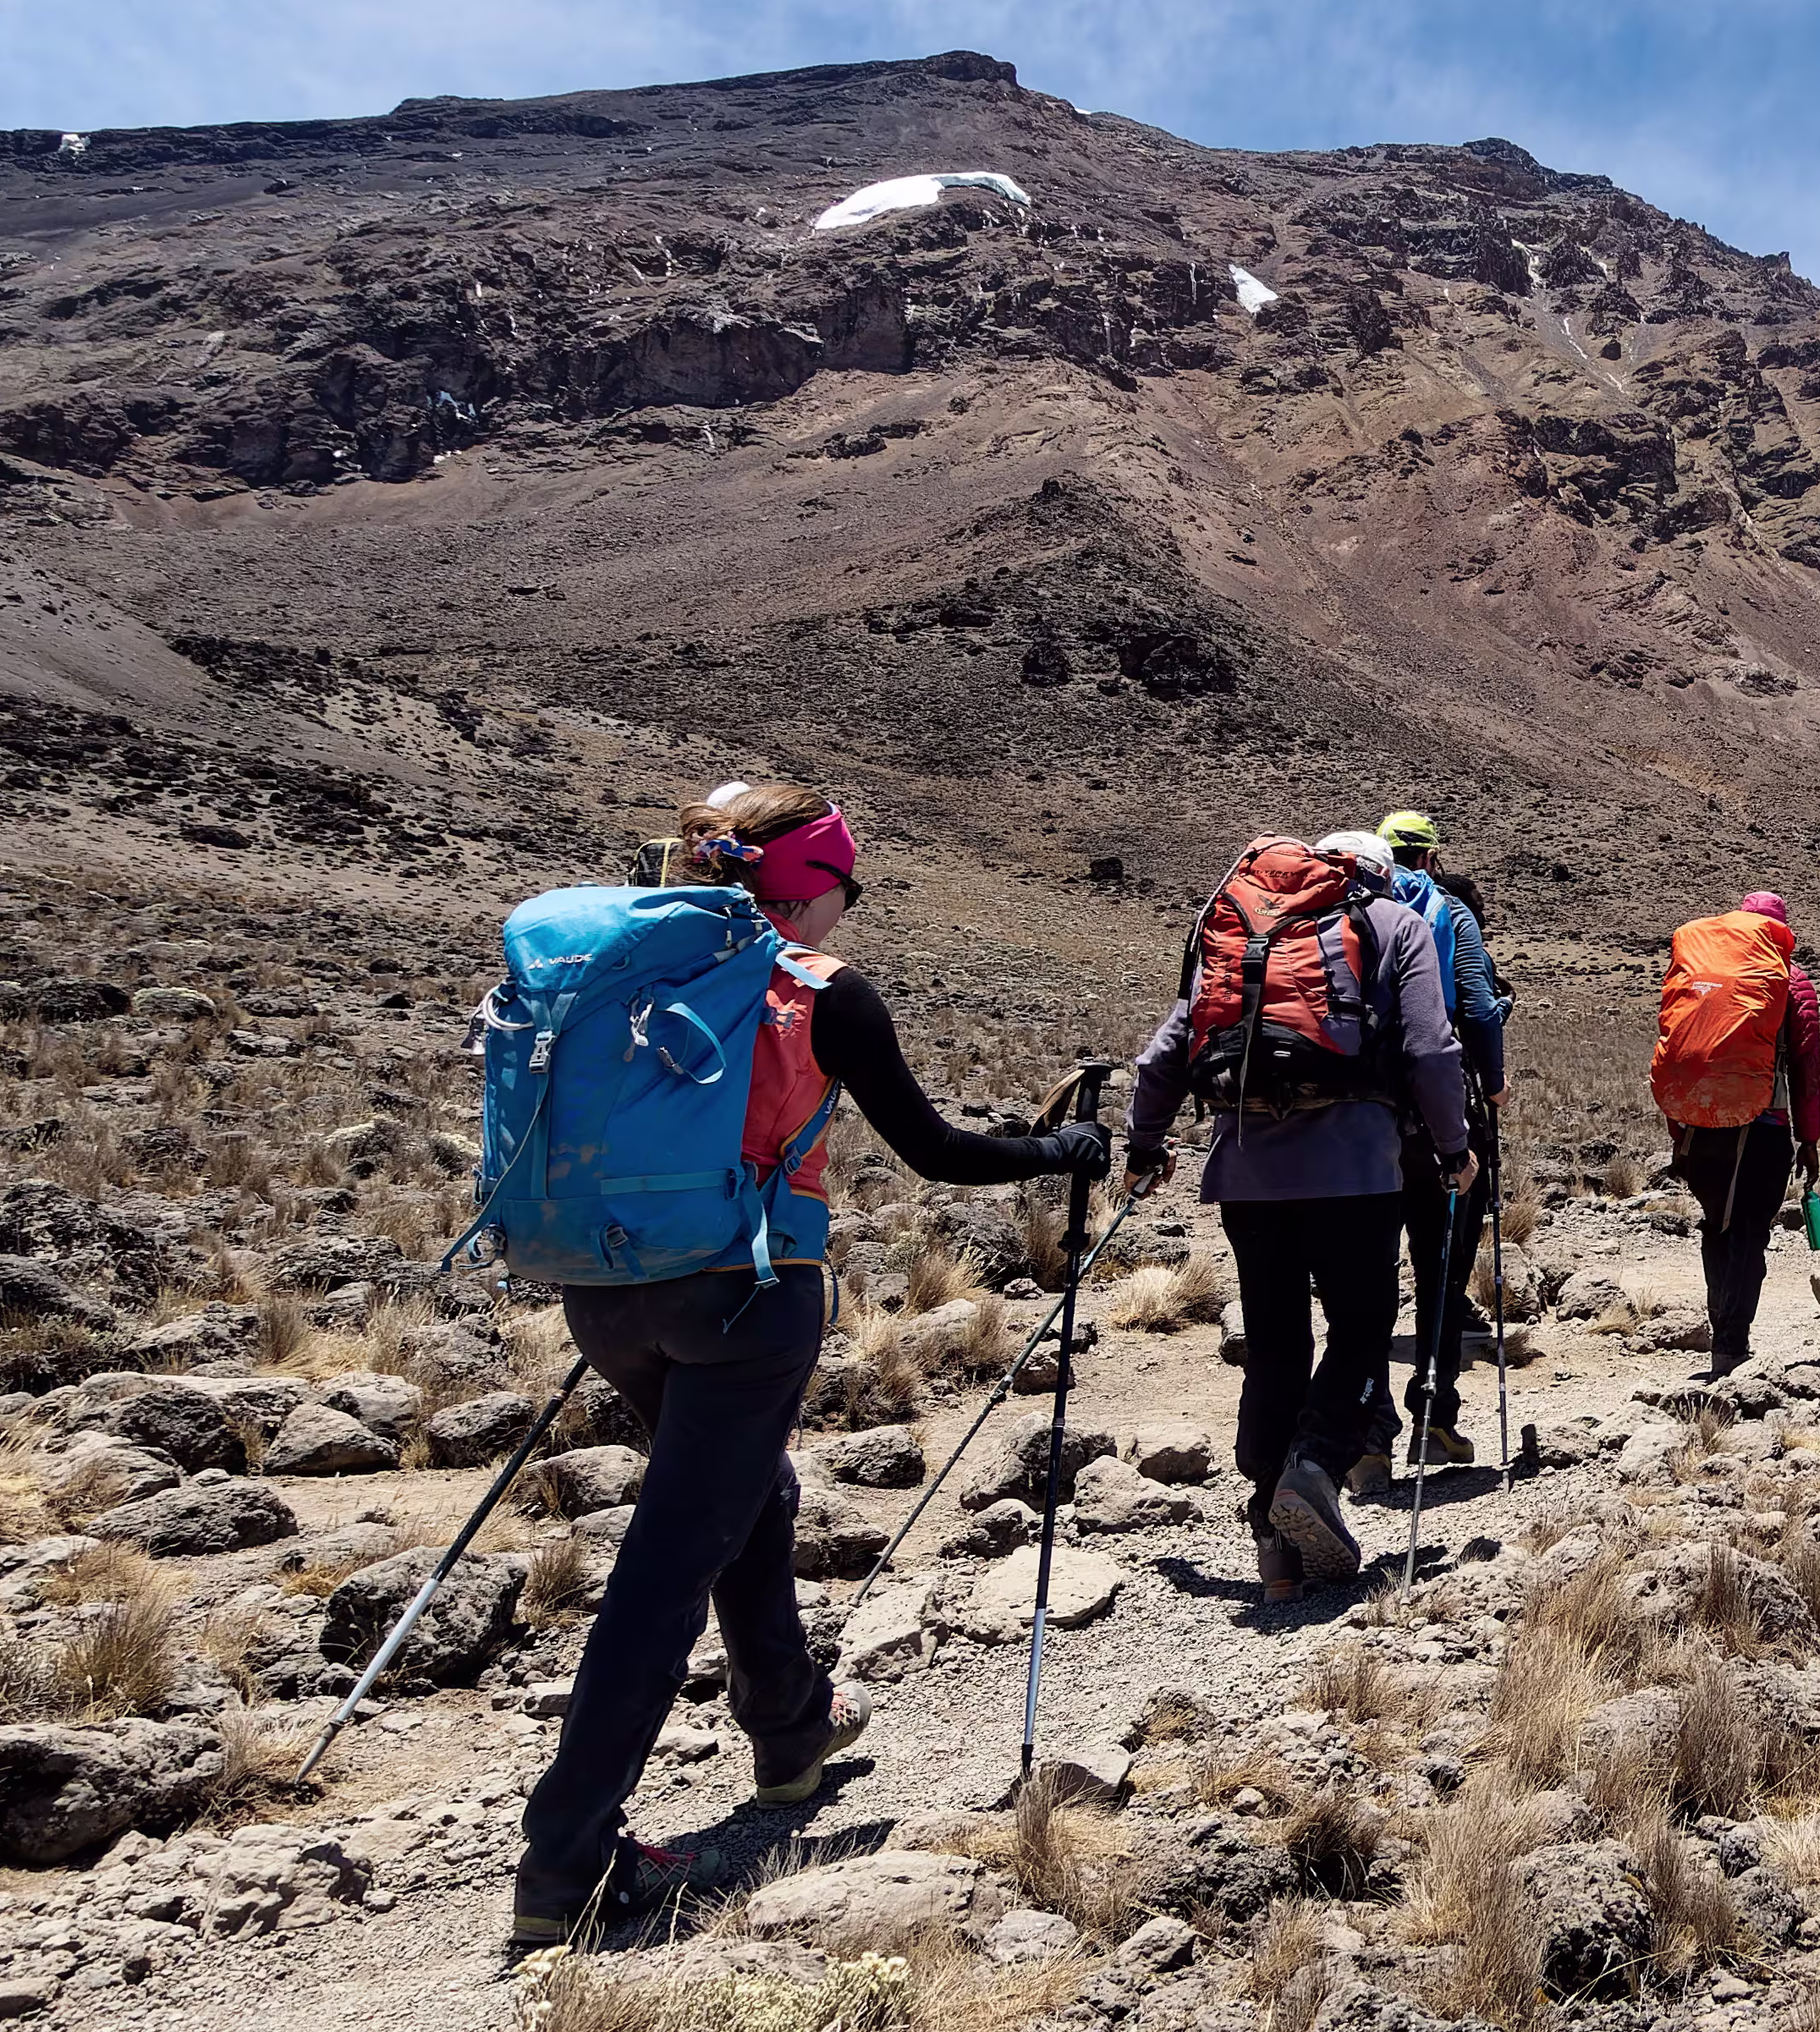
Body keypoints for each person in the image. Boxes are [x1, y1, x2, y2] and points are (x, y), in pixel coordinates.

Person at [511, 779, 1109, 1950]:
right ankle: (567, 1858)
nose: (849, 907)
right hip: (747, 1296)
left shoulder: (624, 968)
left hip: (604, 1288)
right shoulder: (818, 990)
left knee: (748, 1498)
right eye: (846, 885)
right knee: (671, 1558)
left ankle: (789, 1731)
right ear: (811, 883)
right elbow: (934, 1153)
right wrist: (1057, 1148)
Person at [1124, 830, 1471, 1596]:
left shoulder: (1238, 929)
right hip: (1355, 1169)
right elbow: (1431, 1050)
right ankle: (1314, 1464)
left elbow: (1170, 1046)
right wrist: (1453, 1147)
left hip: (1246, 1172)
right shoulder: (1392, 924)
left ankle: (1272, 1545)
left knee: (1276, 1340)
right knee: (1361, 1327)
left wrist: (1144, 1143)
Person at [1374, 810, 1510, 1465]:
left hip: (1360, 1114)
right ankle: (1435, 1417)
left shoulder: (1353, 907)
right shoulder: (1451, 912)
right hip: (1439, 1110)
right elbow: (1479, 1008)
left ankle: (1367, 1435)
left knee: (1366, 1277)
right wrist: (1494, 1081)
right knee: (1442, 1268)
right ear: (1430, 855)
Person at [1669, 889, 1820, 1376]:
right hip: (1764, 1129)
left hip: (1700, 1126)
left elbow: (1677, 1046)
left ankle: (1722, 1330)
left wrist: (1681, 1128)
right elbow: (1805, 1068)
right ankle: (1731, 1344)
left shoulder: (1702, 974)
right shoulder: (1790, 982)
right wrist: (1809, 1138)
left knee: (1717, 1226)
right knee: (1750, 1236)